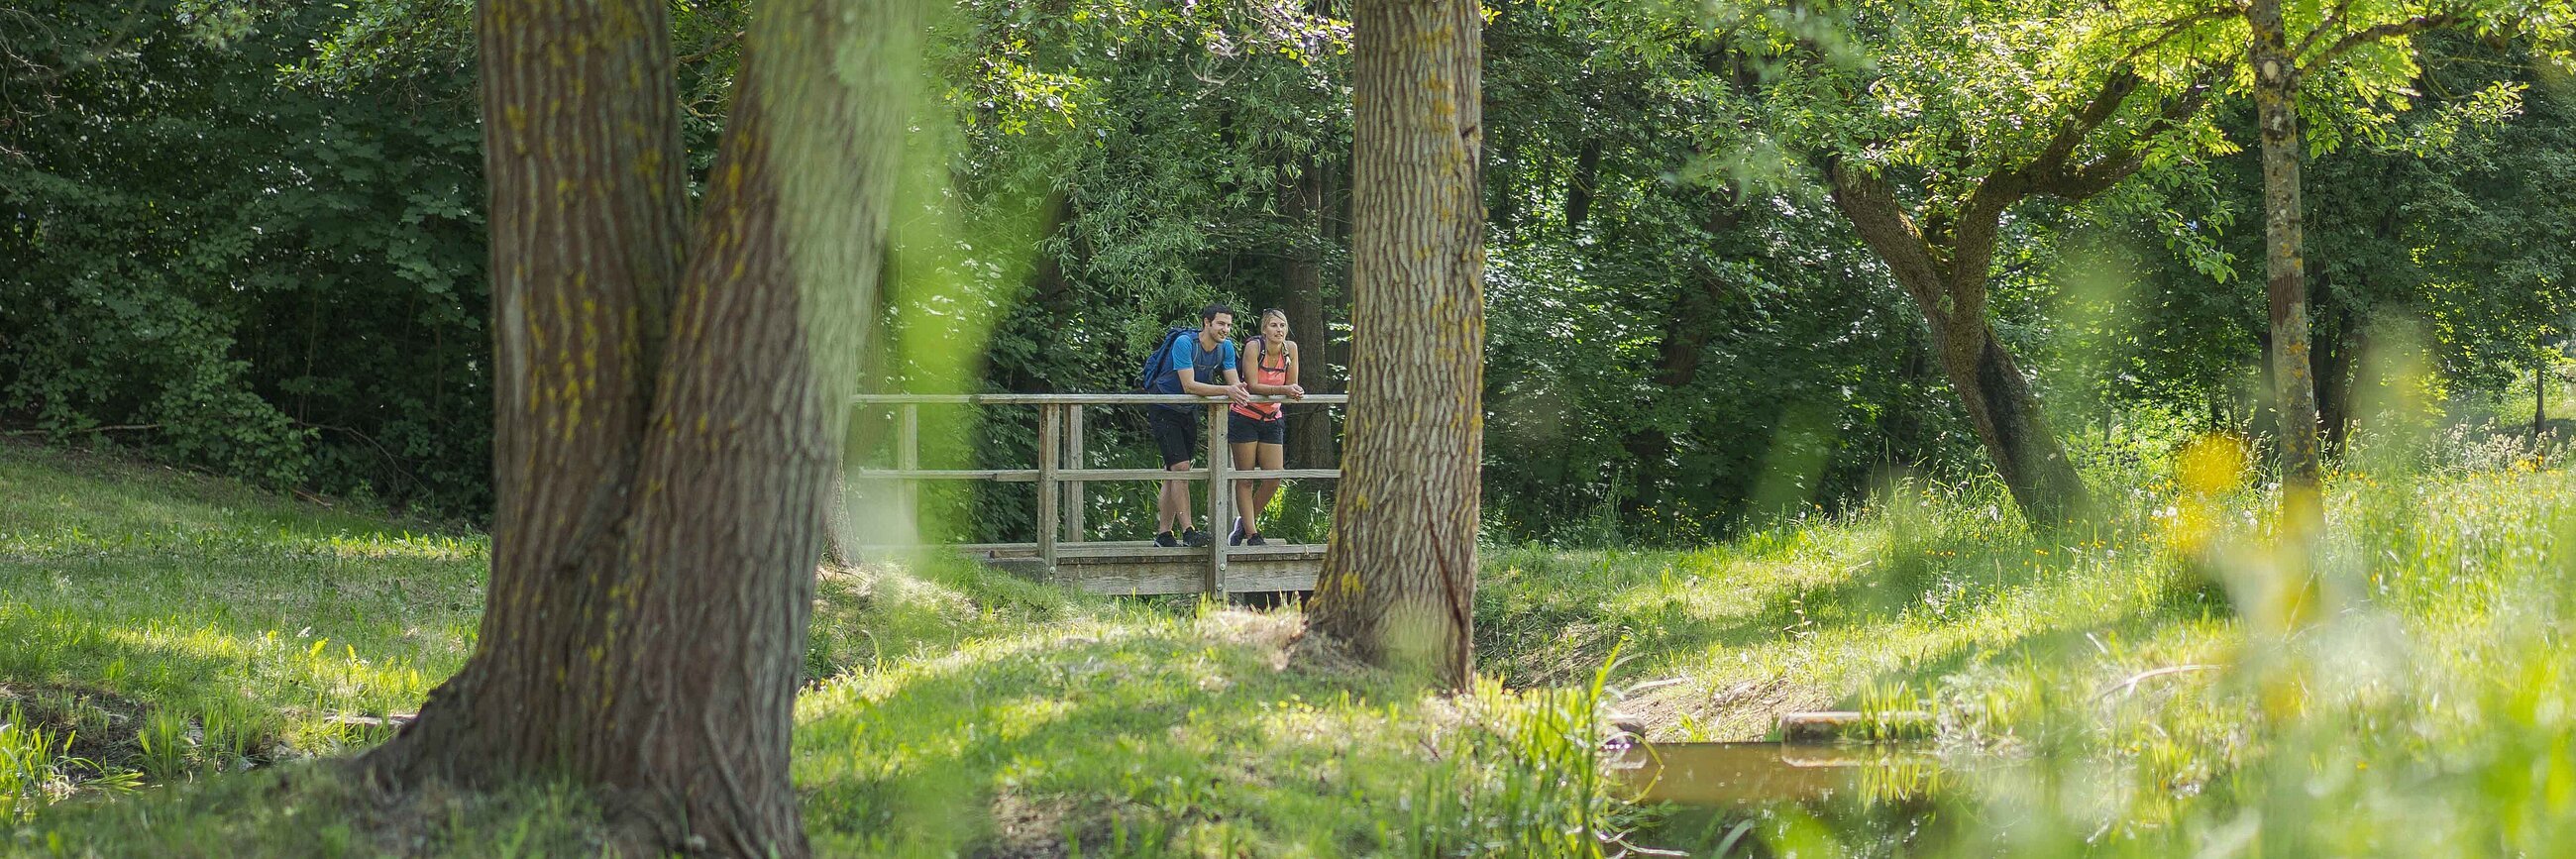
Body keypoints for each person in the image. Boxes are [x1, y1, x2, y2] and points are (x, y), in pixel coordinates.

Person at [1144, 304, 1251, 547]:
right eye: (1221, 324)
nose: (1225, 329)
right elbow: (1189, 385)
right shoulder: (1184, 343)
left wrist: (1240, 392)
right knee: (1180, 467)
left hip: (1187, 410)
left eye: (1229, 325)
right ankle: (1189, 531)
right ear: (1207, 322)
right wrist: (1228, 390)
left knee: (1173, 471)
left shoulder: (1226, 347)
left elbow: (1235, 384)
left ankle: (1163, 534)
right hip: (1163, 405)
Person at [1228, 309, 1304, 545]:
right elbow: (1252, 385)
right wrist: (1284, 390)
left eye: (1282, 326)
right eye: (1273, 325)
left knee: (1273, 478)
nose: (1279, 330)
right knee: (1246, 478)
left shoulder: (1290, 349)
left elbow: (1291, 383)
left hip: (1272, 417)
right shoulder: (1254, 347)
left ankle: (1243, 523)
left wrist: (1294, 391)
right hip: (1245, 416)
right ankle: (1253, 534)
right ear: (1264, 329)